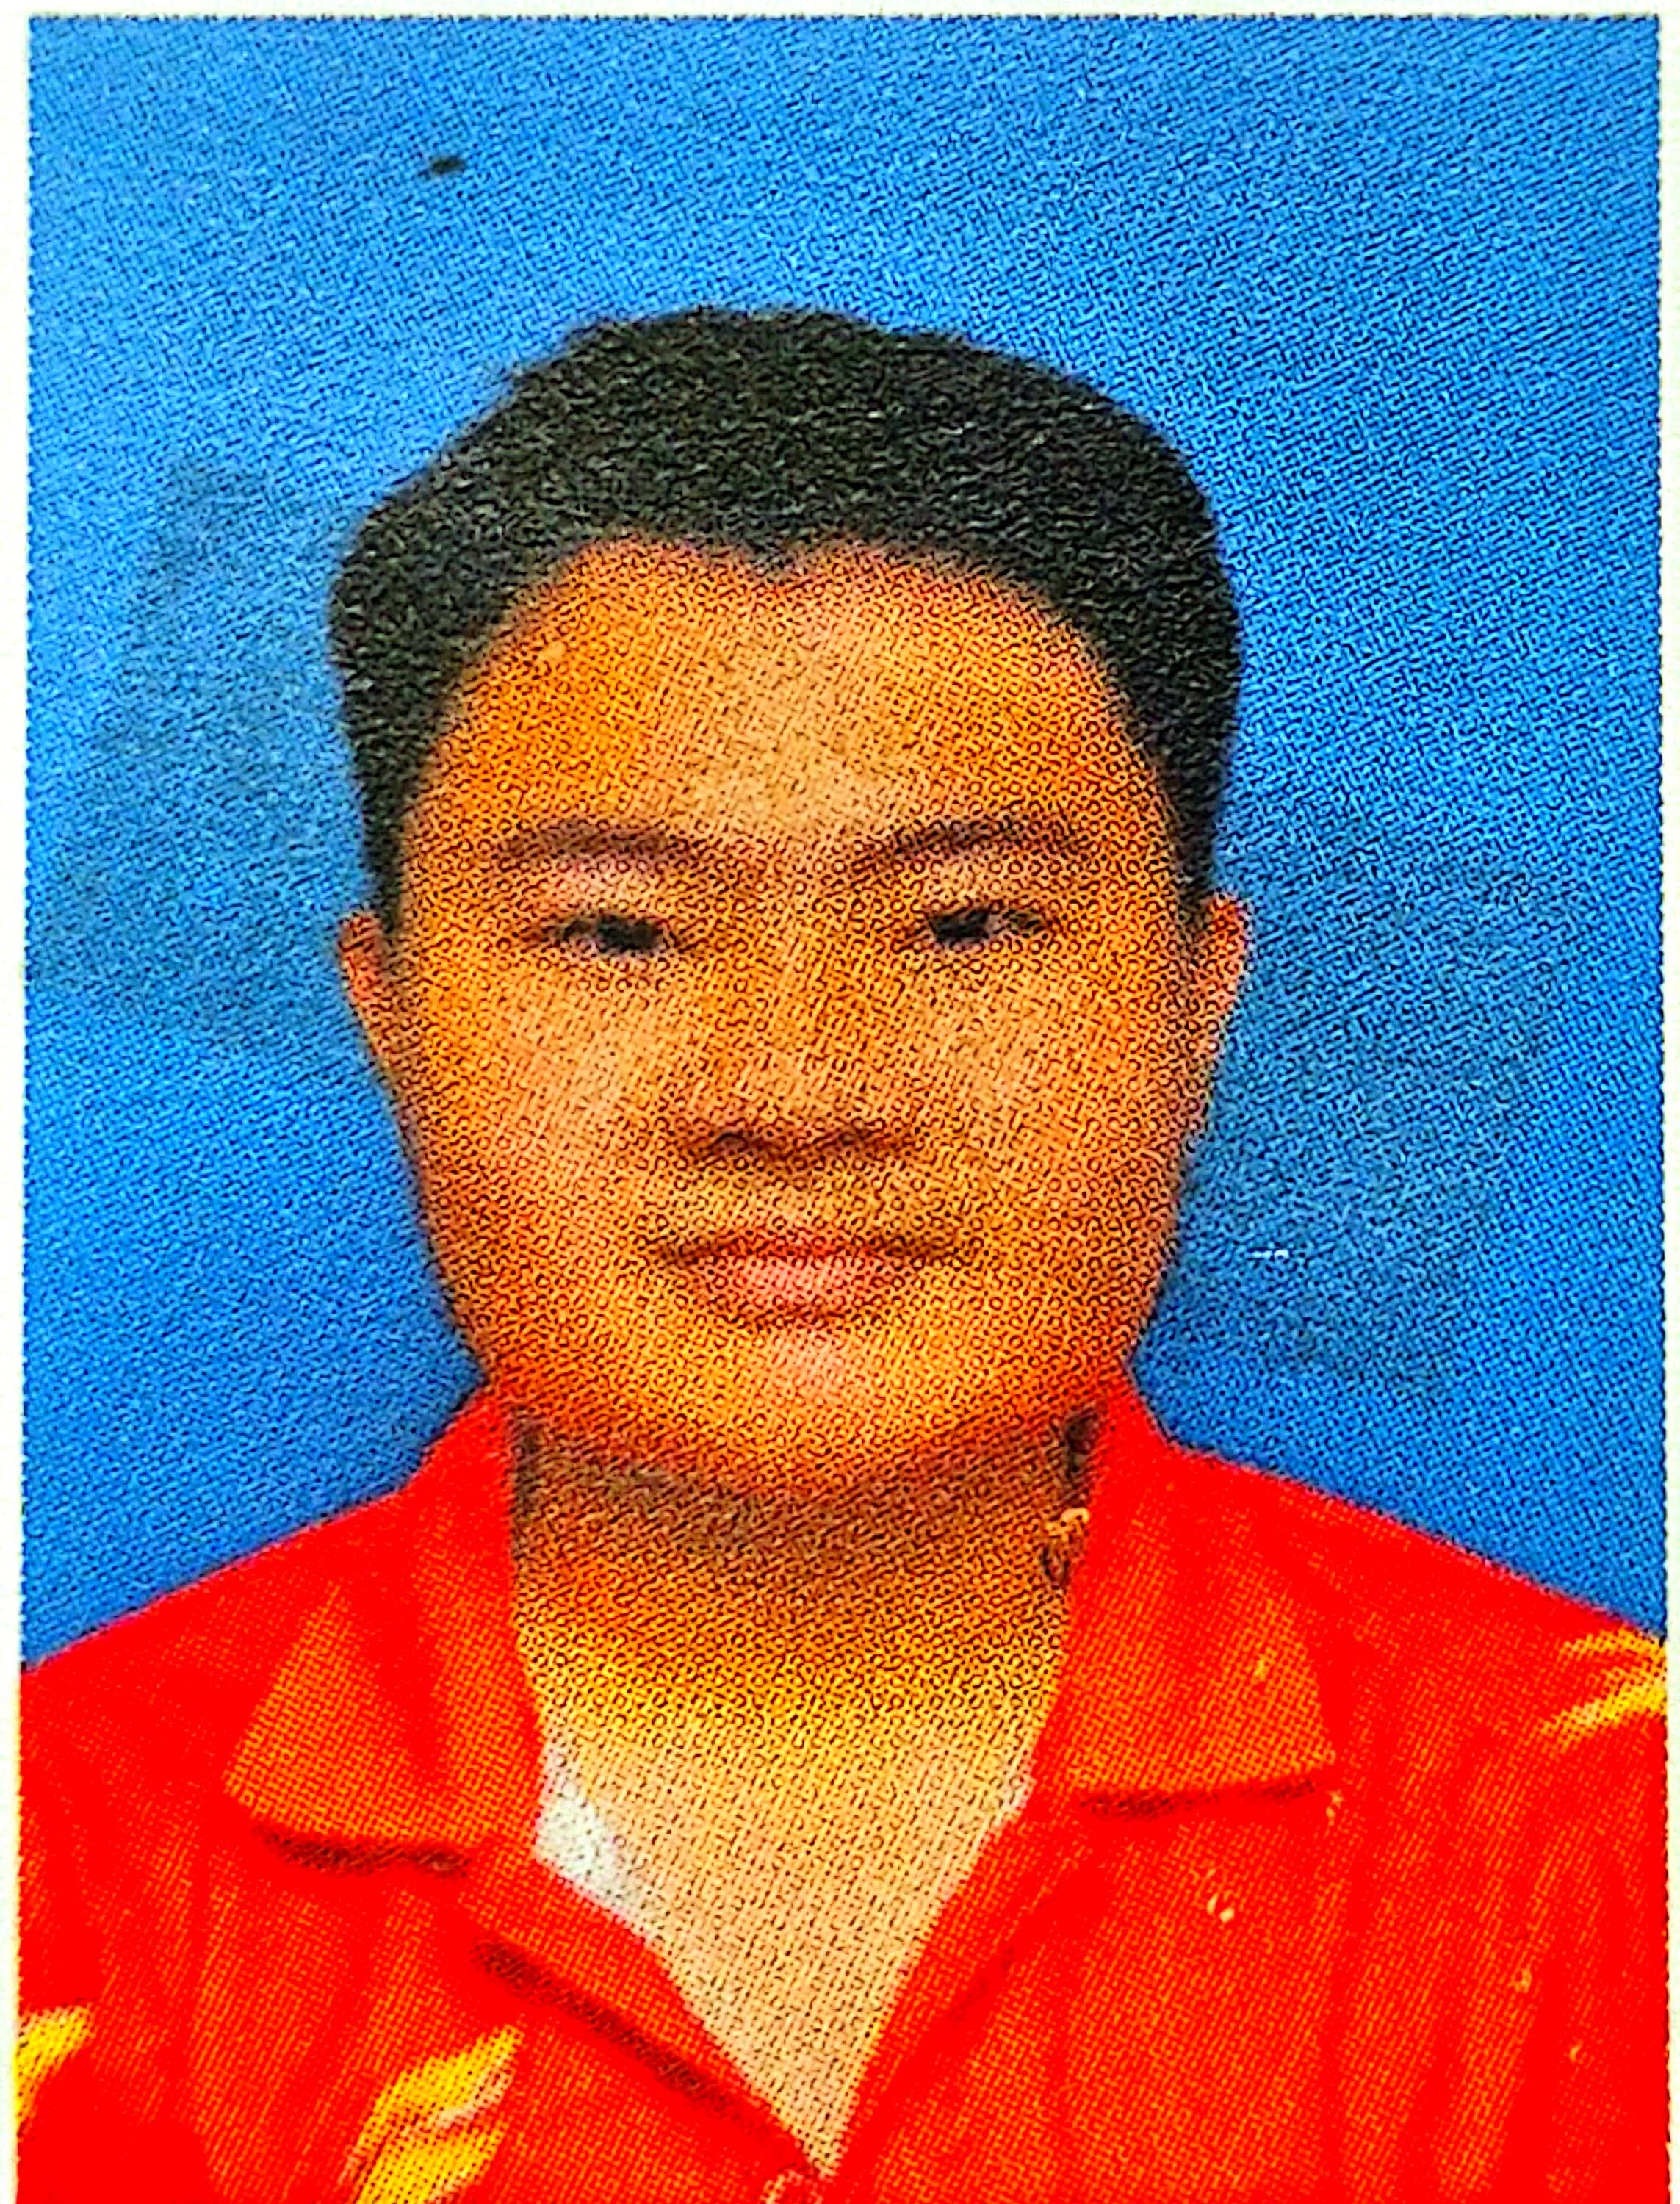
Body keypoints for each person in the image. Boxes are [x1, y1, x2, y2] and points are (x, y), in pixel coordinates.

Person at [20, 307, 1664, 2203]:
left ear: (1200, 1002)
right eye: (619, 934)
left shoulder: (1607, 1837)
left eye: (966, 928)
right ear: (387, 1010)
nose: (796, 1094)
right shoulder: (52, 1870)